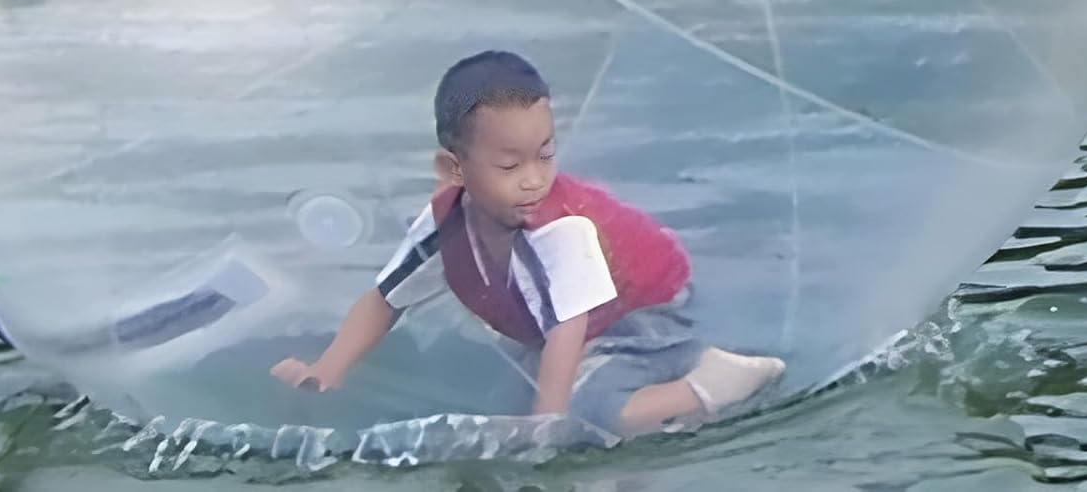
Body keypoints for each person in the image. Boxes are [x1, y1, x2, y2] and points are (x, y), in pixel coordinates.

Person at [269, 49, 783, 436]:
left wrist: (548, 426)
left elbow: (567, 329)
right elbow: (385, 301)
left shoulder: (559, 227)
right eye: (510, 165)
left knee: (589, 414)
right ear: (454, 170)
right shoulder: (444, 224)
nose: (534, 179)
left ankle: (712, 381)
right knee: (506, 408)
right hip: (577, 325)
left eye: (546, 155)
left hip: (644, 309)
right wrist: (327, 370)